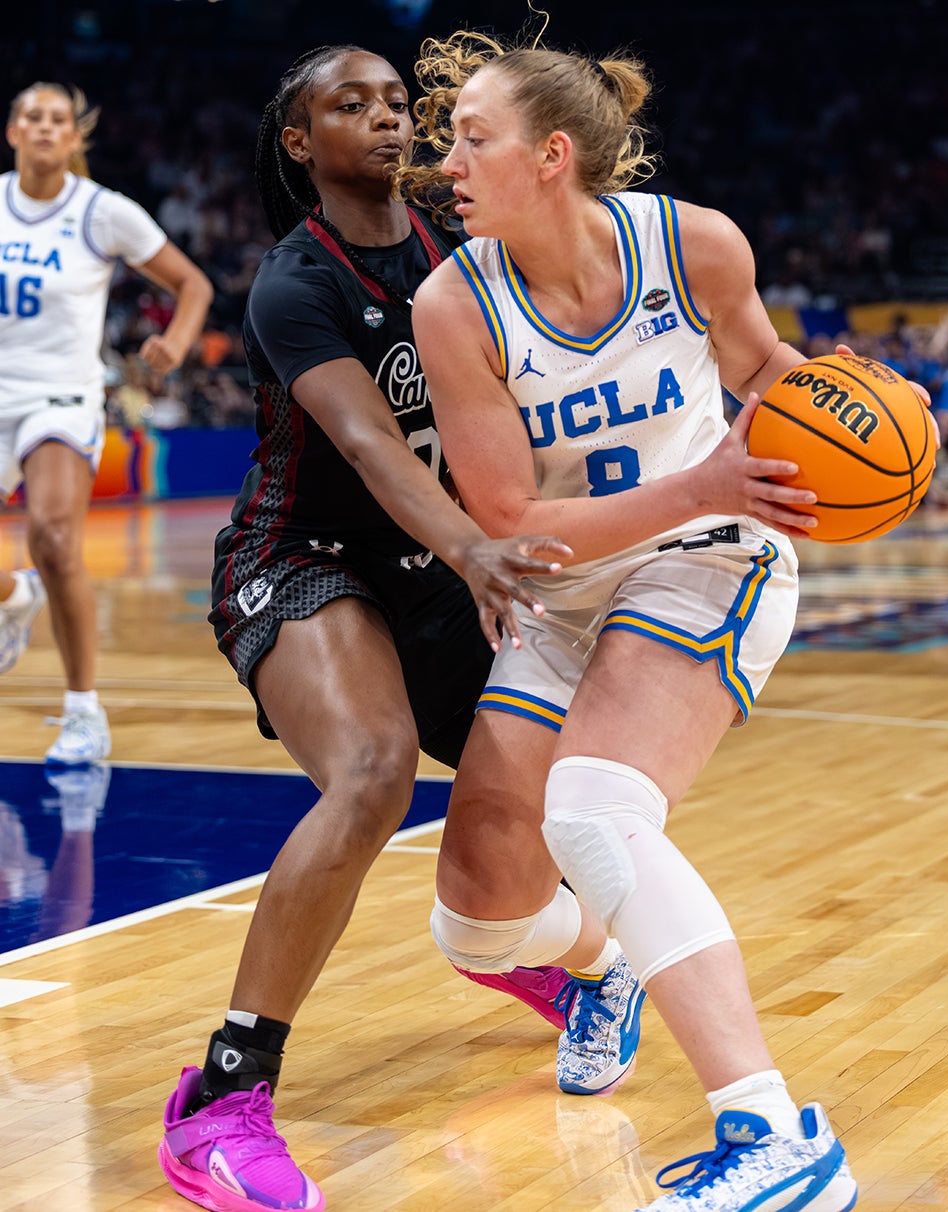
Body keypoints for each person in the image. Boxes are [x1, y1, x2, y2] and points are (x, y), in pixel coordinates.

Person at [155, 45, 630, 1212]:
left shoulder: (458, 252)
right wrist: (476, 548)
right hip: (302, 560)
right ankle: (222, 1097)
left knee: (553, 796)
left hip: (434, 564)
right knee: (370, 771)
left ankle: (570, 964)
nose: (382, 118)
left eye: (392, 102)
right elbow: (368, 445)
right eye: (346, 105)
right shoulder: (292, 285)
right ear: (301, 144)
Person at [404, 30, 859, 1211]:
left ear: (551, 156)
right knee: (476, 919)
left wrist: (858, 421)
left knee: (596, 809)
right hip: (565, 586)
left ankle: (773, 1137)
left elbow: (767, 377)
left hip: (711, 553)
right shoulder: (454, 308)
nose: (444, 160)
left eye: (472, 138)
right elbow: (508, 518)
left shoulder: (694, 247)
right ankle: (608, 970)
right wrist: (693, 480)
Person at [0, 82, 213, 762]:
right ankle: (13, 599)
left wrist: (174, 346)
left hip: (60, 396)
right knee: (29, 561)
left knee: (54, 537)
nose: (43, 127)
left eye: (56, 119)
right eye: (32, 116)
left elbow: (193, 284)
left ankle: (83, 711)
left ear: (73, 137)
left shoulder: (100, 212)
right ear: (12, 131)